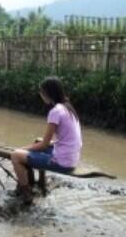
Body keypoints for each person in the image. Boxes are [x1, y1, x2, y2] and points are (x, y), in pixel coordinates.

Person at [10, 76, 82, 204]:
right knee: (38, 140)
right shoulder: (68, 107)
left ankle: (27, 194)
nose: (40, 95)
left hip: (63, 162)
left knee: (15, 155)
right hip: (72, 157)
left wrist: (22, 149)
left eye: (41, 92)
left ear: (48, 93)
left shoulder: (55, 112)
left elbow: (43, 146)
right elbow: (64, 138)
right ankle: (40, 183)